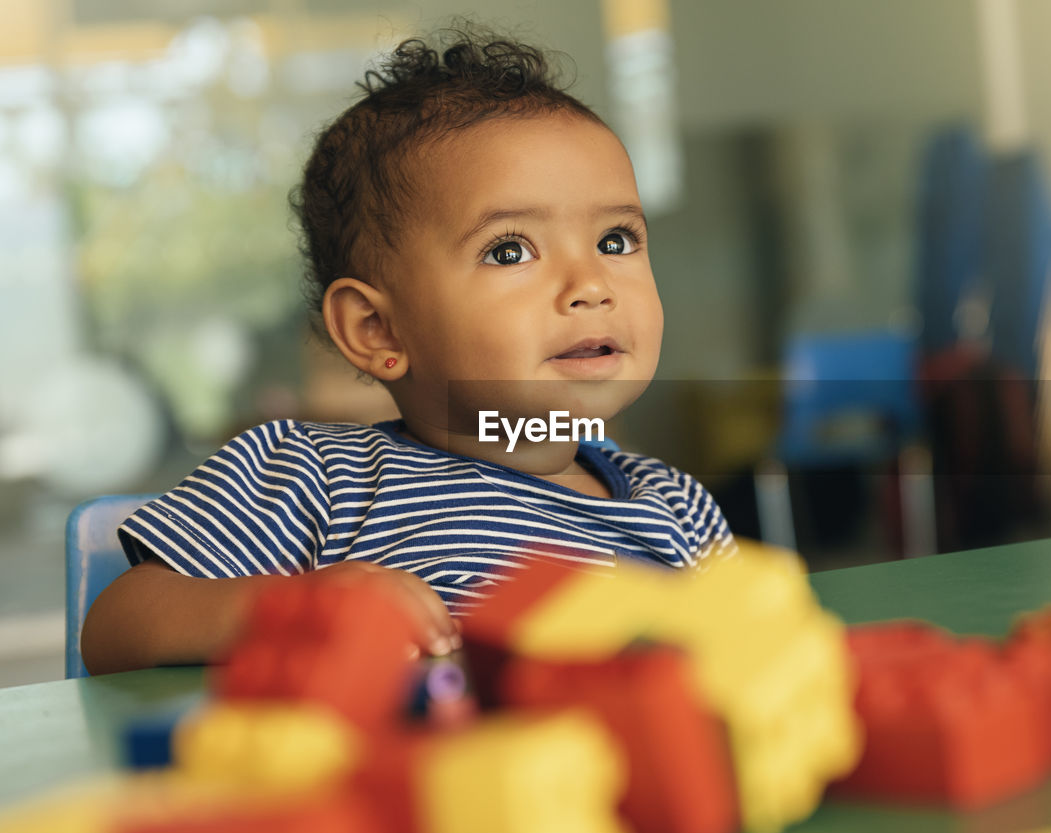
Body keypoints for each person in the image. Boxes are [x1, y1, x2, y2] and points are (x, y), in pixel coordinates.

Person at [80, 29, 735, 676]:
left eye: (616, 240)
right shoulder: (311, 480)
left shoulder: (675, 506)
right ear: (376, 331)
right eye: (510, 250)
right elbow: (117, 627)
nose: (591, 285)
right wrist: (291, 605)